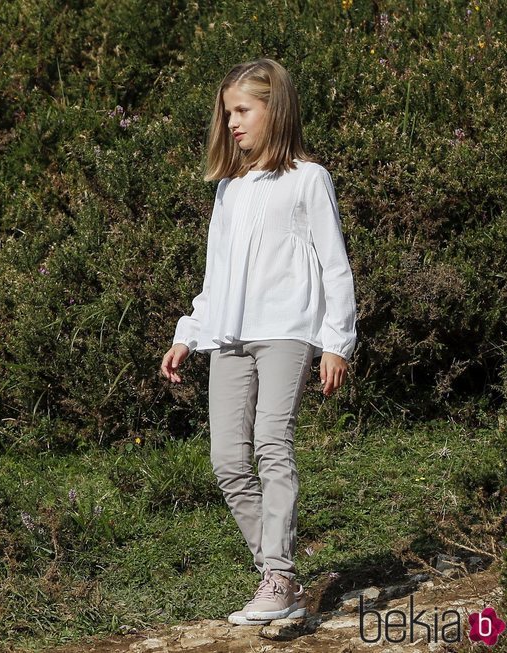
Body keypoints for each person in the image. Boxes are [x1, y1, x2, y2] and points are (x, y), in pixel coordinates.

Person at [159, 58, 357, 626]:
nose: (233, 123)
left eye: (243, 110)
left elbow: (335, 266)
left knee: (272, 441)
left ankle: (276, 573)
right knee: (226, 460)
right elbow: (216, 274)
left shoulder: (309, 179)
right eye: (228, 114)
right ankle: (284, 577)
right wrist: (189, 334)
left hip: (287, 331)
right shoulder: (229, 188)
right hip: (229, 335)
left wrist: (336, 340)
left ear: (277, 108)